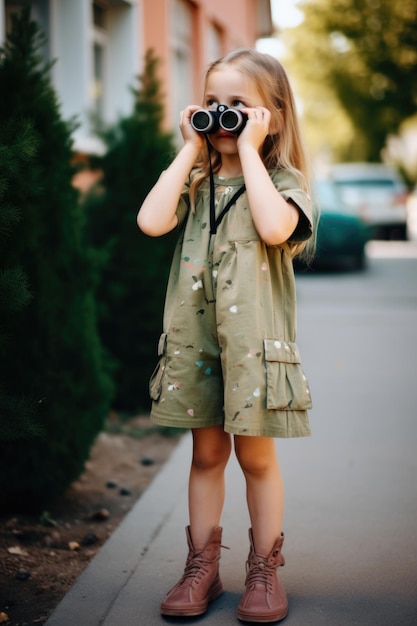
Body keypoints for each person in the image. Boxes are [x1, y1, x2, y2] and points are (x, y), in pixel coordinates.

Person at [137, 48, 316, 623]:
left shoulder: (284, 183)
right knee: (206, 452)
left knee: (257, 459)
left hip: (254, 349)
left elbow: (272, 226)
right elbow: (150, 221)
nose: (222, 116)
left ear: (274, 117)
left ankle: (264, 569)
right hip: (198, 344)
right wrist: (190, 145)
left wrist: (250, 150)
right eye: (213, 104)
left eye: (238, 106)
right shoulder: (194, 177)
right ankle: (202, 567)